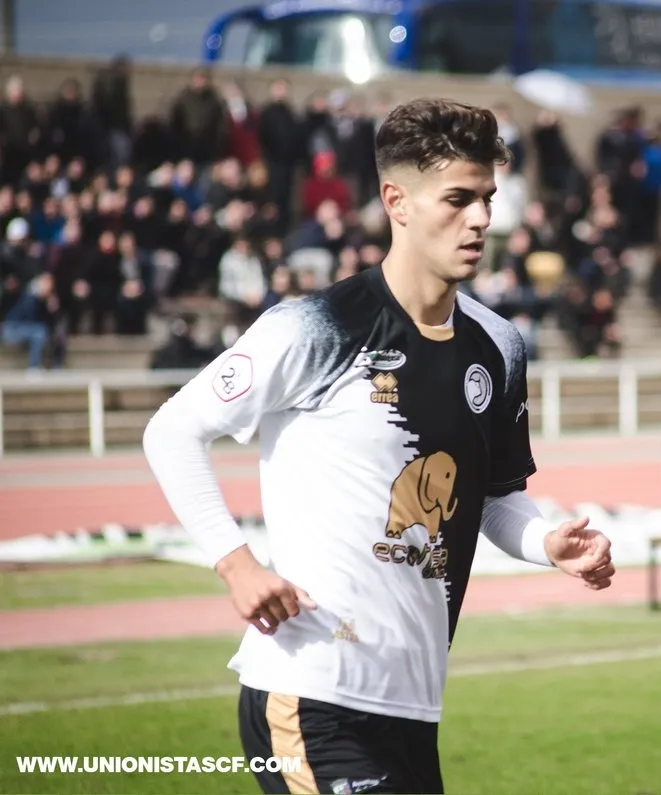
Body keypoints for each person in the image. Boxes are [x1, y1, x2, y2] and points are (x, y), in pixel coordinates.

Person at [142, 98, 616, 795]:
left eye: (486, 197)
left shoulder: (500, 347)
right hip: (311, 691)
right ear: (396, 200)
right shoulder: (317, 325)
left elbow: (491, 498)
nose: (482, 218)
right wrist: (237, 564)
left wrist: (547, 541)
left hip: (412, 704)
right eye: (457, 199)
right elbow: (173, 429)